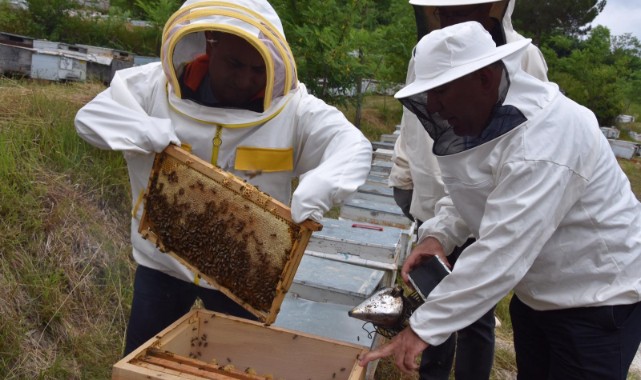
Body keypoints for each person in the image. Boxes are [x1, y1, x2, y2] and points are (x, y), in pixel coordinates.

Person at [75, 0, 372, 356]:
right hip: (163, 264)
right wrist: (142, 130)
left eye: (257, 68)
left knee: (234, 366)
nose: (245, 78)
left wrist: (324, 183)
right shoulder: (153, 86)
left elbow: (351, 145)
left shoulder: (294, 108)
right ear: (210, 42)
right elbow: (92, 116)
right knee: (142, 363)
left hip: (244, 276)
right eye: (234, 63)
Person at [361, 21, 641, 379]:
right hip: (538, 295)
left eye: (441, 90)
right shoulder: (491, 118)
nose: (433, 105)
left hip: (599, 299)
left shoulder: (547, 139)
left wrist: (421, 329)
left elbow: (502, 250)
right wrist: (439, 235)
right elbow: (471, 189)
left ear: (486, 78)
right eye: (428, 93)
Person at [388, 1, 549, 378]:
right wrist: (426, 212)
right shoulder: (424, 55)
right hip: (441, 204)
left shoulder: (526, 62)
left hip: (500, 214)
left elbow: (505, 239)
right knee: (434, 293)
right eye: (442, 14)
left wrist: (421, 329)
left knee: (473, 310)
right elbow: (413, 130)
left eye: (460, 12)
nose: (449, 22)